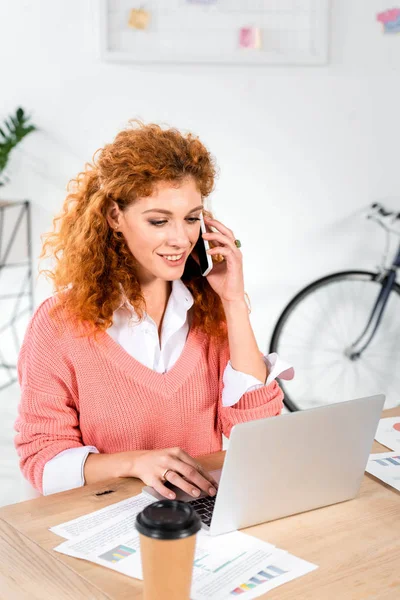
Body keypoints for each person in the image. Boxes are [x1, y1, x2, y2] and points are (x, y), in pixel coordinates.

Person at [14, 121, 293, 499]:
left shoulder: (210, 311)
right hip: (106, 522)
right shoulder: (57, 325)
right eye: (159, 221)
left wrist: (232, 301)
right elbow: (42, 461)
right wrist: (137, 463)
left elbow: (259, 431)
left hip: (199, 516)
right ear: (115, 217)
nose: (180, 238)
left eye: (192, 218)